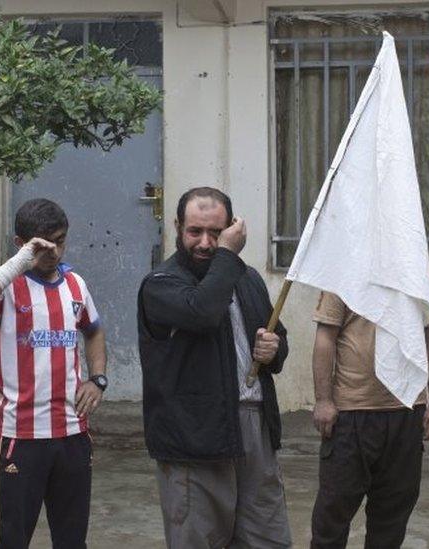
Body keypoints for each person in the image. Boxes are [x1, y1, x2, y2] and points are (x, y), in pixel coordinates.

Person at [137, 187, 291, 548]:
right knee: (199, 539)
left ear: (231, 228)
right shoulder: (160, 284)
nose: (206, 243)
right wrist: (227, 254)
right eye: (195, 232)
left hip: (254, 429)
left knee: (268, 540)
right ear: (176, 227)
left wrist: (273, 349)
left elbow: (278, 341)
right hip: (194, 436)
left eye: (216, 233)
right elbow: (202, 311)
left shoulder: (247, 278)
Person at [0, 198, 107, 549]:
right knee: (11, 539)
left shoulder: (76, 285)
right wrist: (21, 261)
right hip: (20, 438)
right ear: (20, 244)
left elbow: (94, 331)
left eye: (60, 241)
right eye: (43, 245)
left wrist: (97, 379)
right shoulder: (4, 286)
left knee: (72, 541)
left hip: (72, 434)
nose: (53, 252)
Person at [309, 268, 429, 549]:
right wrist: (323, 400)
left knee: (392, 516)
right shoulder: (345, 269)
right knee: (332, 514)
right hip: (351, 414)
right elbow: (326, 337)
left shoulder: (423, 274)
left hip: (407, 410)